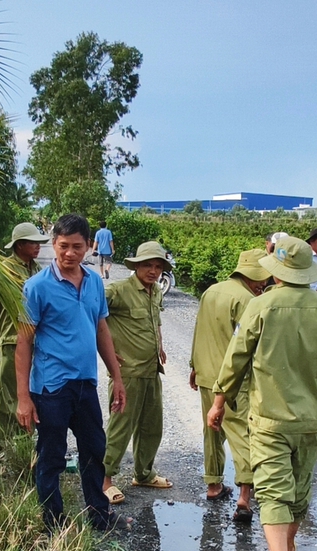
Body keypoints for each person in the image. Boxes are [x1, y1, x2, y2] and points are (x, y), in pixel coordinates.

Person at [209, 233, 317, 551]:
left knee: (273, 492)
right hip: (311, 420)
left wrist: (219, 401)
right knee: (300, 489)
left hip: (268, 419)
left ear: (277, 272)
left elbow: (236, 358)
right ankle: (288, 546)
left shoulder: (261, 307)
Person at [16, 214, 127, 532]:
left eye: (77, 246)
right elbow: (23, 343)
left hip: (85, 384)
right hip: (51, 387)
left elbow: (101, 329)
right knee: (52, 454)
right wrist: (24, 398)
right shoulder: (36, 287)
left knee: (95, 448)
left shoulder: (94, 282)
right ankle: (53, 522)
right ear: (54, 244)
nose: (69, 253)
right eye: (63, 246)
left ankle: (99, 515)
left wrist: (116, 377)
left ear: (89, 246)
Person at [190, 247, 271, 513]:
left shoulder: (210, 291)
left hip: (206, 373)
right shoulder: (248, 300)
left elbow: (198, 330)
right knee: (240, 433)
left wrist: (194, 365)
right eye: (262, 278)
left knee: (212, 430)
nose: (263, 283)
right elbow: (250, 345)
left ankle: (213, 484)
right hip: (233, 380)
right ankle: (245, 495)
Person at [103, 239, 174, 500]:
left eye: (158, 267)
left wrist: (160, 345)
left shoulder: (155, 291)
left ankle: (143, 474)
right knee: (120, 427)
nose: (153, 271)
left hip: (151, 370)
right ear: (136, 266)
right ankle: (104, 480)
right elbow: (89, 314)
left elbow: (156, 321)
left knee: (151, 426)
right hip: (128, 373)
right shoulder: (118, 291)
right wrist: (105, 350)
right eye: (147, 265)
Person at [0, 220, 48, 454]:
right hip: (13, 341)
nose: (37, 247)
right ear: (20, 245)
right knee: (7, 398)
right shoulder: (6, 269)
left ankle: (24, 449)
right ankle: (0, 450)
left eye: (38, 243)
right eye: (33, 243)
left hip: (34, 342)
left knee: (29, 396)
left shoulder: (36, 268)